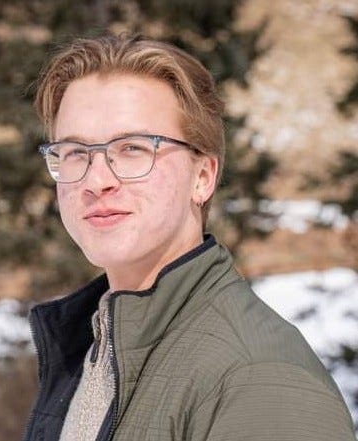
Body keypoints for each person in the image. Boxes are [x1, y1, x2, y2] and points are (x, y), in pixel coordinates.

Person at [24, 34, 355, 441]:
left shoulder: (261, 382)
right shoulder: (94, 351)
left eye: (133, 148)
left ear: (203, 177)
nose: (96, 180)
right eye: (75, 152)